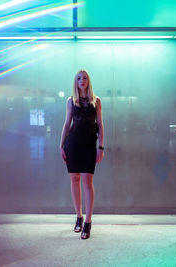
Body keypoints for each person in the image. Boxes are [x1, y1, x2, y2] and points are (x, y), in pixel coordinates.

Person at [60, 70, 104, 240]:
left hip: (89, 145)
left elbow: (100, 125)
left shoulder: (96, 101)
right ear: (75, 82)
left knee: (88, 181)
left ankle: (88, 222)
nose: (82, 80)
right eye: (79, 78)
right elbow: (66, 124)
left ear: (88, 81)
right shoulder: (71, 101)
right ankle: (78, 217)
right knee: (75, 179)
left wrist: (101, 147)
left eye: (85, 77)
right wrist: (61, 145)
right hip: (73, 144)